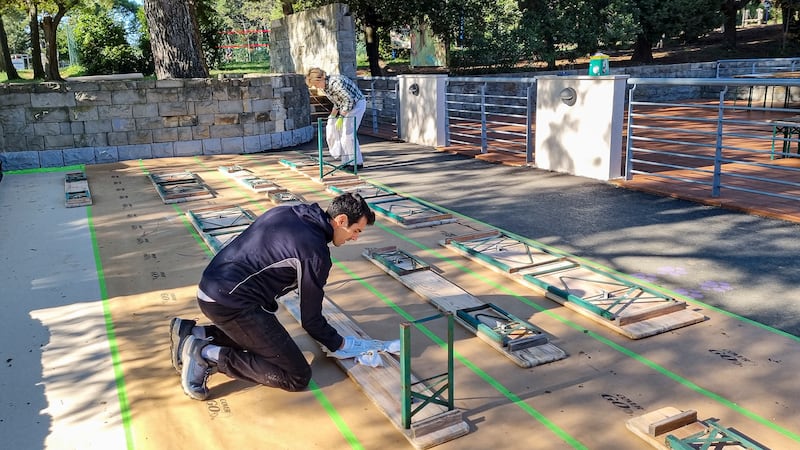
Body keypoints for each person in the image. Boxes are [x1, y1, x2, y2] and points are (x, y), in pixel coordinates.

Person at [170, 193, 376, 400]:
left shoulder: (291, 211)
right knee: (296, 376)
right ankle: (205, 354)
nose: (355, 237)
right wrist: (340, 344)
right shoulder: (315, 254)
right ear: (341, 220)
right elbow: (311, 320)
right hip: (231, 304)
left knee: (262, 339)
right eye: (356, 230)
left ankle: (194, 332)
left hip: (211, 286)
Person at [305, 67, 367, 170]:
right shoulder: (326, 87)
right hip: (348, 106)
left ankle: (356, 163)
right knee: (343, 134)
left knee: (348, 134)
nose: (316, 87)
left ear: (321, 79)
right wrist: (333, 116)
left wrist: (341, 116)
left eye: (316, 84)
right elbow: (337, 102)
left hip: (357, 104)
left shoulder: (335, 83)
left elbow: (348, 100)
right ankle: (347, 162)